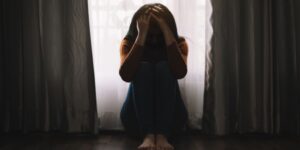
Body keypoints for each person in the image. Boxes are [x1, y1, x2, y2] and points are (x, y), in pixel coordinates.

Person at [119, 3, 189, 150]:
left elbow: (180, 72)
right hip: (136, 121)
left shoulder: (179, 44)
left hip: (172, 122)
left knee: (164, 67)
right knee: (143, 68)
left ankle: (162, 135)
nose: (155, 40)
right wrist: (141, 37)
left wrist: (166, 30)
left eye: (159, 35)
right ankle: (148, 136)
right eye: (151, 35)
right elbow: (125, 75)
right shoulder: (129, 44)